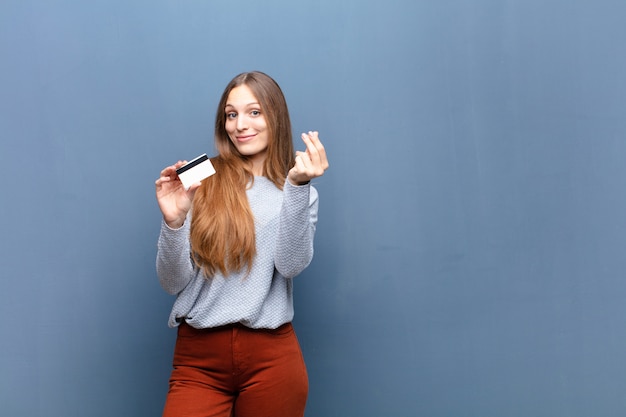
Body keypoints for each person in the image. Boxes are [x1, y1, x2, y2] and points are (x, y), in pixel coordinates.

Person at [154, 71, 329, 417]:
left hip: (272, 357)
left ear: (275, 116)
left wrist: (297, 186)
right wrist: (173, 224)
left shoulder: (298, 189)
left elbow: (290, 265)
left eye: (254, 112)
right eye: (231, 114)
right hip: (199, 358)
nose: (240, 125)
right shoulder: (197, 174)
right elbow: (171, 282)